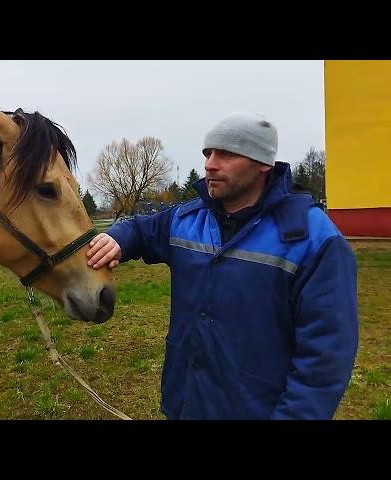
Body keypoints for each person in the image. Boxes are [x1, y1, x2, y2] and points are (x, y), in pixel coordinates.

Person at [86, 112, 359, 420]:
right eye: (208, 153)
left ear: (263, 164)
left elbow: (325, 359)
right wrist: (118, 238)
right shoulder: (187, 219)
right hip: (185, 406)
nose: (210, 164)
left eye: (226, 154)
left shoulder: (315, 240)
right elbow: (141, 229)